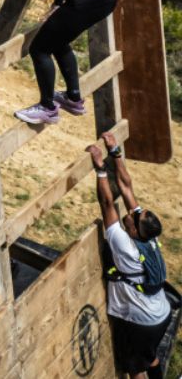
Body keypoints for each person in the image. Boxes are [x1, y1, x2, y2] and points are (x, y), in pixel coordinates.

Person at [87, 132, 170, 379]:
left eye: (134, 217)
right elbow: (126, 186)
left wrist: (100, 170)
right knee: (150, 357)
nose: (132, 212)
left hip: (141, 320)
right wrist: (115, 152)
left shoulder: (126, 246)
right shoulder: (148, 237)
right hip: (160, 314)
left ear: (134, 231)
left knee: (136, 371)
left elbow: (107, 204)